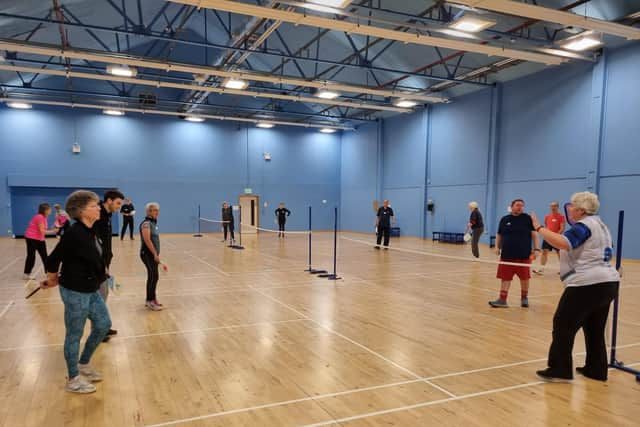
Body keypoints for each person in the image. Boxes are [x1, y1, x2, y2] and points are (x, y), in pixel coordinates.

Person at [531, 192, 619, 382]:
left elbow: (564, 243)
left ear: (581, 209)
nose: (569, 209)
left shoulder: (583, 226)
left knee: (563, 324)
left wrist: (539, 227)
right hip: (608, 282)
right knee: (594, 328)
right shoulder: (602, 225)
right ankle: (596, 369)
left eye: (572, 206)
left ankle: (560, 369)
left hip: (587, 283)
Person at [43, 190, 112, 394]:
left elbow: (93, 257)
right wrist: (53, 279)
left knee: (103, 325)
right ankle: (73, 378)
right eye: (94, 206)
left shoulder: (90, 230)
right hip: (74, 291)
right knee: (74, 334)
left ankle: (83, 364)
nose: (99, 208)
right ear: (82, 211)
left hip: (91, 288)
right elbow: (52, 260)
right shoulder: (74, 233)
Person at [489, 199, 540, 308]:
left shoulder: (527, 219)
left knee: (525, 278)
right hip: (507, 255)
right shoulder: (504, 219)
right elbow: (499, 234)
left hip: (524, 255)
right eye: (517, 205)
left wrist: (536, 249)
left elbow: (535, 234)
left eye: (522, 205)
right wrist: (497, 247)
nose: (520, 207)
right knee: (505, 277)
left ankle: (524, 298)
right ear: (512, 207)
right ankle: (502, 300)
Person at [93, 189, 124, 341]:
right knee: (99, 297)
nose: (119, 207)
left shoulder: (108, 215)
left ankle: (102, 327)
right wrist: (102, 264)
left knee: (103, 295)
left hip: (104, 261)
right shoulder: (98, 215)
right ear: (109, 201)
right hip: (98, 263)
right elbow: (94, 242)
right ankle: (99, 331)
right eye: (118, 203)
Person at [23, 203, 58, 280]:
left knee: (45, 256)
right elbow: (42, 231)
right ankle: (26, 274)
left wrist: (53, 228)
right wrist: (53, 231)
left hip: (40, 239)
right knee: (31, 256)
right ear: (45, 210)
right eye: (49, 209)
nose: (50, 210)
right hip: (31, 238)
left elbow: (43, 230)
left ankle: (48, 272)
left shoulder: (44, 218)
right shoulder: (39, 217)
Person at [140, 202, 163, 311]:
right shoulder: (146, 224)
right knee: (154, 276)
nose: (157, 212)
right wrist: (155, 254)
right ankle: (150, 301)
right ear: (148, 211)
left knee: (153, 276)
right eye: (154, 210)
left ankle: (151, 299)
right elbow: (147, 240)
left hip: (152, 254)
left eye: (157, 210)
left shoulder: (153, 223)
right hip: (147, 254)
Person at [533, 201, 565, 275]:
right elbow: (547, 226)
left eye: (554, 206)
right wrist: (546, 234)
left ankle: (563, 270)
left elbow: (562, 228)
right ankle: (541, 269)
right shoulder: (548, 216)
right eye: (551, 206)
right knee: (544, 252)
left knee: (559, 253)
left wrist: (556, 236)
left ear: (557, 207)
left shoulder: (561, 217)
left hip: (557, 238)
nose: (553, 207)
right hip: (547, 238)